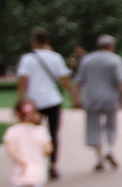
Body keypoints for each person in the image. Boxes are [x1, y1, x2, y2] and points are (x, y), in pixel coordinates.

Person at [15, 30, 76, 179]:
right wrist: (73, 97)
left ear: (33, 42)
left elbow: (22, 81)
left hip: (34, 102)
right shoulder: (56, 57)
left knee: (32, 133)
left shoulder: (27, 59)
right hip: (53, 100)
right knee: (53, 133)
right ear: (47, 41)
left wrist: (20, 99)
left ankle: (34, 162)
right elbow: (64, 80)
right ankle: (53, 164)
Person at [77, 35, 122, 172]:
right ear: (111, 46)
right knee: (111, 125)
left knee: (93, 127)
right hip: (110, 98)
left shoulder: (87, 59)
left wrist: (76, 98)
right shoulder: (115, 59)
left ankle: (99, 158)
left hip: (91, 98)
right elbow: (121, 81)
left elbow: (79, 81)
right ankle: (109, 150)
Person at [4, 99, 53, 187]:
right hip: (37, 172)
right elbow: (48, 150)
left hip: (21, 173)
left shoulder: (12, 132)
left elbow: (11, 151)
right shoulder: (40, 131)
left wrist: (21, 162)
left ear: (17, 113)